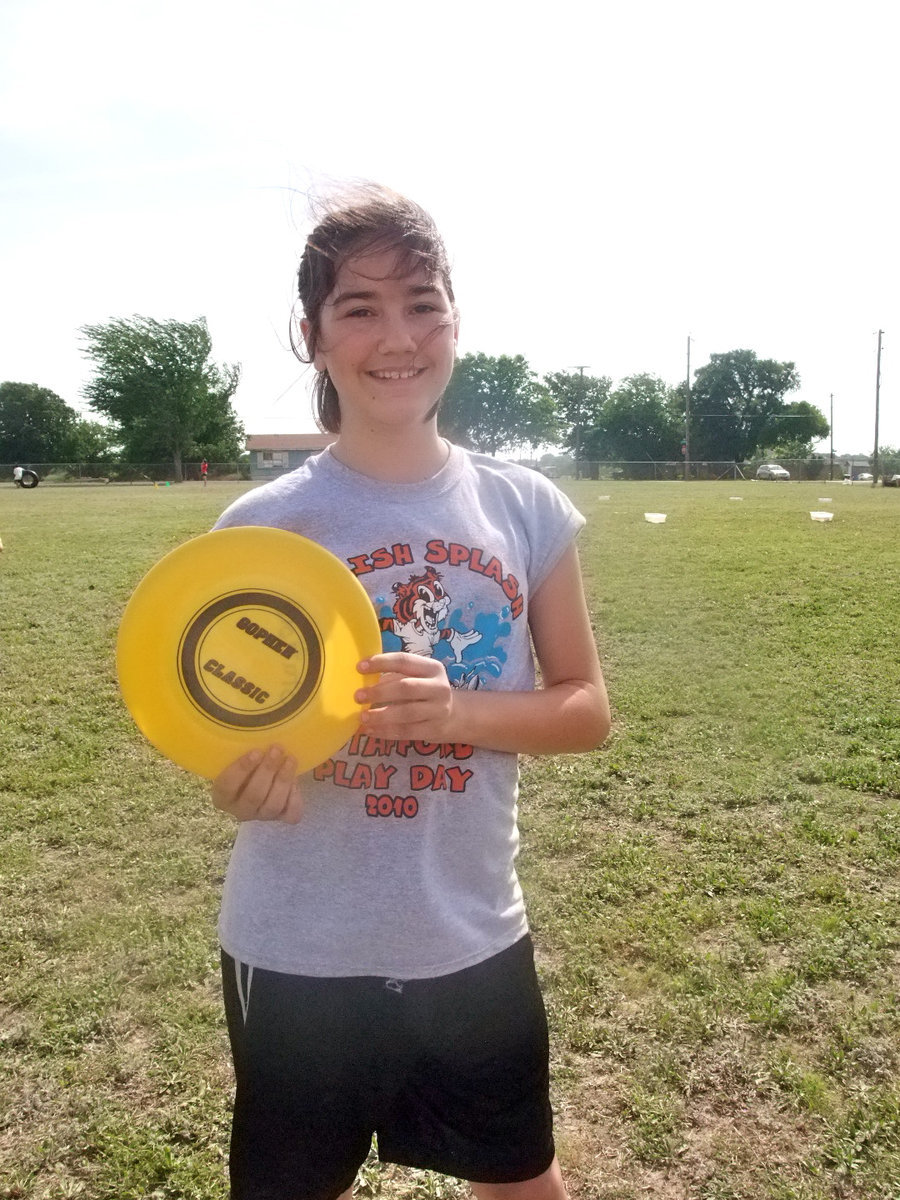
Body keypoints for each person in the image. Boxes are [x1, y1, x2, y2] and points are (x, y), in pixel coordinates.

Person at [209, 185, 611, 1200]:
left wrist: (460, 711)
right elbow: (221, 731)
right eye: (360, 308)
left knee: (521, 1179)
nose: (398, 336)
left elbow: (585, 707)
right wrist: (240, 781)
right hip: (299, 948)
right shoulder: (260, 529)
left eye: (423, 302)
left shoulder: (525, 507)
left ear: (455, 323)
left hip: (469, 936)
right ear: (314, 338)